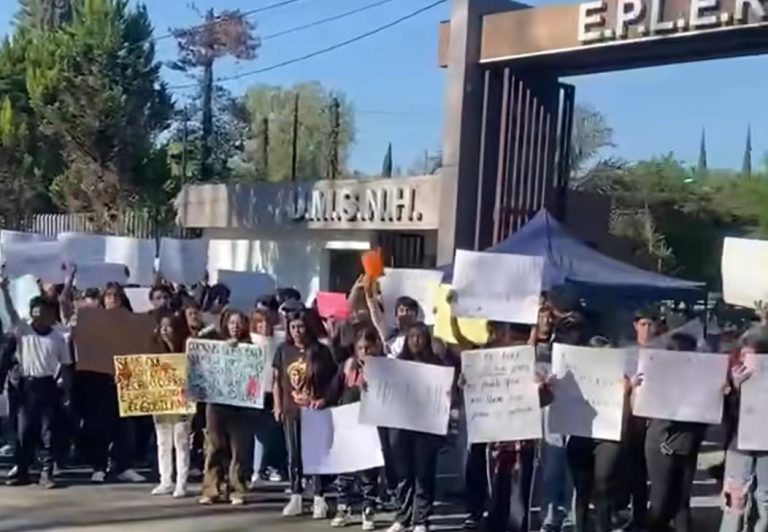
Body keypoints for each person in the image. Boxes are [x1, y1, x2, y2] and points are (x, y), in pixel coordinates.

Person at [1, 277, 72, 489]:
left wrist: (66, 390)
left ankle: (46, 472)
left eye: (42, 310)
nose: (38, 314)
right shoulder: (23, 331)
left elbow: (66, 364)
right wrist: (4, 290)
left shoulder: (58, 337)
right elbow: (12, 312)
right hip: (26, 386)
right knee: (24, 430)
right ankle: (22, 470)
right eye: (35, 310)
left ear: (51, 315)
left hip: (47, 385)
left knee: (47, 431)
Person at [387, 323, 452, 532]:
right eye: (412, 336)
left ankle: (421, 520)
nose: (416, 340)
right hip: (401, 427)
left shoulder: (437, 364)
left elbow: (449, 395)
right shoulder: (397, 364)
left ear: (427, 340)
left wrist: (452, 392)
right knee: (404, 474)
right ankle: (402, 517)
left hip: (426, 429)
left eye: (420, 337)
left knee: (424, 473)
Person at [274, 307, 338, 519]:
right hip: (291, 409)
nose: (297, 331)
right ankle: (296, 495)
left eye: (300, 326)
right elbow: (277, 380)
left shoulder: (321, 350)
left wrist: (325, 400)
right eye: (293, 327)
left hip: (315, 410)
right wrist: (277, 405)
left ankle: (319, 496)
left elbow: (333, 380)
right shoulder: (283, 350)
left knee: (316, 454)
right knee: (294, 454)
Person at [79, 283, 145, 484]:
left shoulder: (131, 322)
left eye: (116, 295)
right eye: (108, 296)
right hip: (99, 379)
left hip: (124, 379)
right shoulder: (94, 323)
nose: (112, 299)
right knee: (100, 425)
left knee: (124, 426)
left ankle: (123, 466)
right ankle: (99, 466)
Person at [642, 332, 709, 532]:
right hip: (661, 444)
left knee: (682, 500)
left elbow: (710, 413)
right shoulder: (657, 376)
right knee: (661, 501)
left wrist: (721, 392)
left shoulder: (702, 378)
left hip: (688, 443)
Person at [566, 335, 628, 532]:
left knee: (604, 485)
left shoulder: (620, 377)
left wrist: (626, 393)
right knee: (582, 490)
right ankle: (581, 527)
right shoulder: (572, 373)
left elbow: (626, 414)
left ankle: (603, 527)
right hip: (580, 434)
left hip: (607, 436)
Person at [330, 325, 383, 531]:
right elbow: (334, 389)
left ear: (375, 347)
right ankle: (343, 507)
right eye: (360, 348)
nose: (364, 352)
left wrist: (370, 387)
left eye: (368, 348)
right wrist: (322, 401)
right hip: (347, 422)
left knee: (368, 470)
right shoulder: (348, 366)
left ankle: (368, 508)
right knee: (345, 468)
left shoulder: (383, 368)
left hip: (370, 425)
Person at [200, 309, 255, 506]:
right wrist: (223, 348)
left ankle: (237, 489)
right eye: (232, 322)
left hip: (241, 406)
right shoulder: (214, 344)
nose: (235, 326)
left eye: (239, 322)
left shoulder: (252, 348)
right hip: (216, 404)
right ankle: (212, 488)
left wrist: (240, 349)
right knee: (215, 446)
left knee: (239, 449)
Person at [719, 325, 768, 532]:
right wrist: (734, 392)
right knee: (734, 497)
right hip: (739, 444)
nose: (744, 361)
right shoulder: (733, 374)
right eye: (743, 355)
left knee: (765, 498)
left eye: (751, 356)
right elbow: (724, 417)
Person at [147, 311, 191, 498]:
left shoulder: (187, 347)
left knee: (181, 441)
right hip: (161, 399)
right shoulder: (154, 346)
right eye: (162, 326)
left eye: (169, 326)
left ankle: (182, 482)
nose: (165, 330)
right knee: (163, 441)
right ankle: (165, 480)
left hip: (183, 399)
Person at [249, 307, 287, 486]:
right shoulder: (249, 341)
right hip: (252, 393)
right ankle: (256, 469)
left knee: (271, 433)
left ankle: (266, 467)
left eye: (266, 322)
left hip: (272, 392)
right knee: (256, 435)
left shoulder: (278, 340)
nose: (263, 326)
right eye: (259, 322)